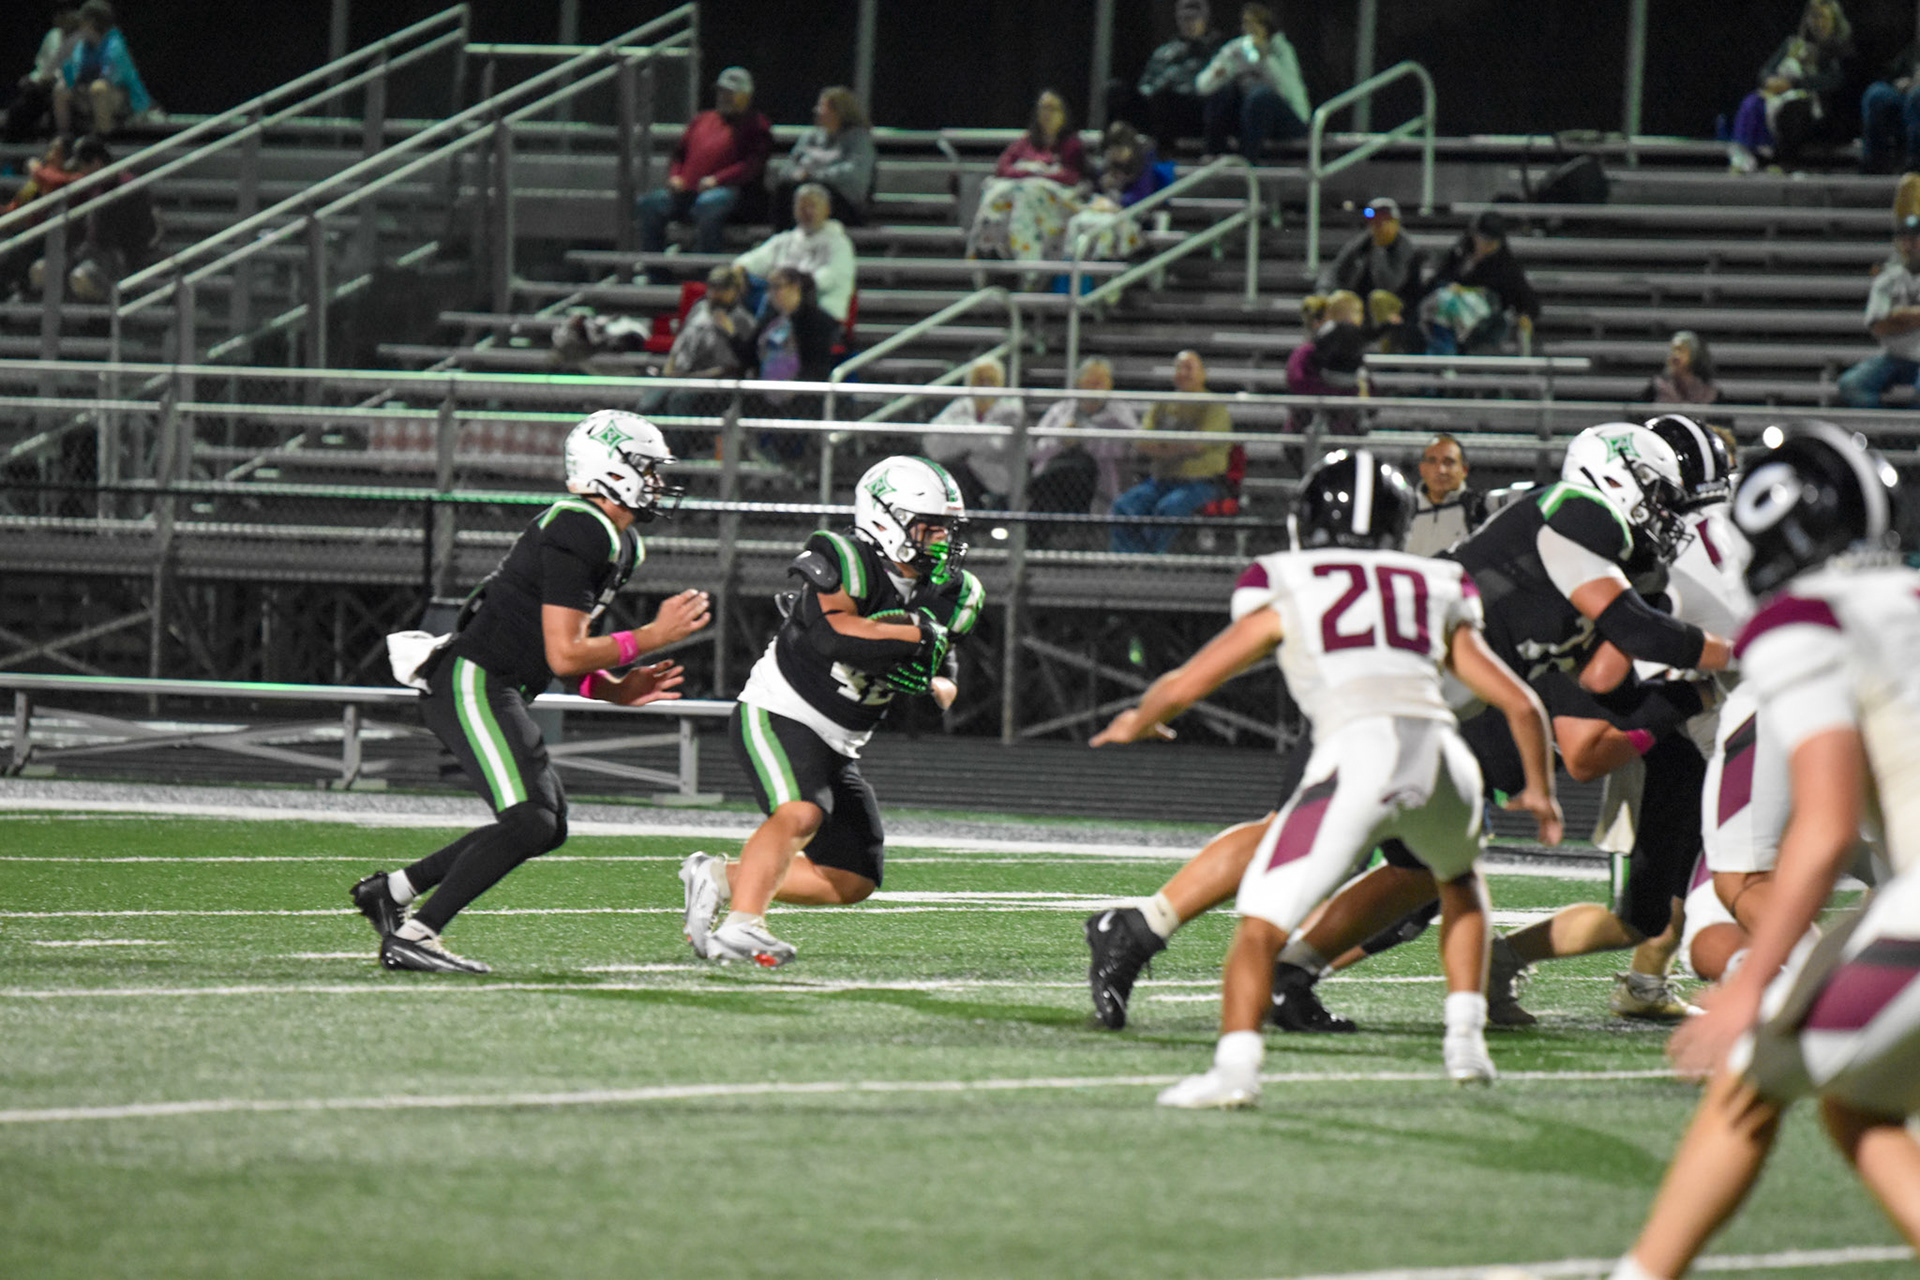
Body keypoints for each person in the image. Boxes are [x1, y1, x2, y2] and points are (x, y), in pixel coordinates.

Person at [1080, 421, 1729, 1036]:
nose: (1666, 512)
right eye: (1658, 493)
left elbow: (1602, 678)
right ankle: (1137, 927)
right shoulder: (1575, 512)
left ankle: (1292, 974)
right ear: (1616, 476)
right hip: (1380, 685)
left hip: (1429, 714)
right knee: (1295, 836)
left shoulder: (1609, 560)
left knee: (1419, 870)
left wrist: (1680, 693)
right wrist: (1736, 651)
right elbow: (1640, 632)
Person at [1093, 450, 1562, 1103]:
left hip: (1357, 752)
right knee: (1459, 883)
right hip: (1444, 754)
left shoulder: (1286, 579)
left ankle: (1236, 1069)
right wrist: (1540, 791)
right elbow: (1522, 703)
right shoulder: (1438, 581)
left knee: (1260, 926)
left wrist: (1139, 721)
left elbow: (1189, 680)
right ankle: (1465, 1042)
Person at [1609, 422, 1920, 1280]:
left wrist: (1752, 986)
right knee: (1858, 1107)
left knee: (1750, 1080)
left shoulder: (1804, 621)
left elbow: (1823, 827)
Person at [349, 412, 710, 972]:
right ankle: (416, 935)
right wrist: (650, 637)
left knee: (547, 824)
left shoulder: (618, 541)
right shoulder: (580, 525)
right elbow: (566, 653)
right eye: (647, 469)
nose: (657, 482)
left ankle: (392, 892)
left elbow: (560, 650)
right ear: (610, 470)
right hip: (474, 679)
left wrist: (613, 689)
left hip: (499, 684)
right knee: (531, 820)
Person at [678, 456, 986, 966]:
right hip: (781, 709)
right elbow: (831, 634)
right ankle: (742, 925)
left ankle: (716, 878)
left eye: (946, 531)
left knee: (851, 877)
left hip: (841, 742)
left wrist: (933, 686)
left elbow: (946, 671)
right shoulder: (844, 558)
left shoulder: (954, 591)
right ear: (886, 519)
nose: (941, 542)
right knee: (800, 812)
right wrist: (910, 638)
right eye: (929, 528)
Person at [635, 66, 772, 256]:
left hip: (734, 194)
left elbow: (751, 165)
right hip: (688, 192)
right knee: (650, 204)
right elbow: (679, 155)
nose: (724, 97)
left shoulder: (757, 124)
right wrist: (675, 176)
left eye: (730, 93)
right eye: (721, 91)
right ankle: (655, 268)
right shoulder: (701, 119)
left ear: (746, 96)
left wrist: (718, 180)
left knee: (709, 204)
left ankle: (704, 268)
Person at [1110, 349, 1234, 554]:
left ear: (1202, 374)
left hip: (1200, 483)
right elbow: (1142, 441)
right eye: (1179, 368)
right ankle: (1133, 559)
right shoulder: (1162, 403)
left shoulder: (1213, 406)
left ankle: (1154, 560)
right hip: (1160, 481)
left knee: (1168, 508)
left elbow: (1197, 444)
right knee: (1124, 506)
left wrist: (1162, 447)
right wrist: (1177, 448)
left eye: (1189, 368)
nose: (1183, 373)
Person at [1726, 0, 1852, 174]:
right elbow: (1766, 71)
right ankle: (1742, 159)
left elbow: (1834, 80)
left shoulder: (1838, 50)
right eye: (1814, 17)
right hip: (1779, 94)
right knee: (1751, 102)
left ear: (1834, 20)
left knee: (1792, 109)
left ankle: (1783, 161)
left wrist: (1793, 84)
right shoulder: (1793, 44)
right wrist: (1769, 81)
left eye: (1823, 17)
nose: (1818, 23)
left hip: (1816, 106)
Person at [27, 134, 156, 303]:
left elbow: (144, 231)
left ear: (96, 163)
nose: (79, 172)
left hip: (117, 257)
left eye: (82, 166)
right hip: (86, 252)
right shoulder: (91, 186)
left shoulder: (129, 187)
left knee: (82, 277)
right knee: (41, 271)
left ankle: (101, 314)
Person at [967, 90, 1088, 262]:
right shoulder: (1026, 142)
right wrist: (1030, 171)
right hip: (1017, 191)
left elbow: (1072, 176)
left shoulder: (1071, 144)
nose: (1047, 114)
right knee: (996, 191)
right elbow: (1002, 168)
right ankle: (987, 246)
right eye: (1043, 108)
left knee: (1025, 194)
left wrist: (1043, 175)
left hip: (1053, 199)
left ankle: (1024, 258)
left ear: (1063, 113)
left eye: (1052, 109)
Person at [1028, 356, 1139, 539]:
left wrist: (1084, 438)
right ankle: (1040, 543)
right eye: (1090, 379)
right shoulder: (1060, 410)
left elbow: (1127, 448)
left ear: (1110, 384)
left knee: (1078, 470)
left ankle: (1073, 535)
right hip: (1052, 479)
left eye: (1100, 381)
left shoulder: (1121, 414)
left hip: (1098, 482)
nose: (1095, 386)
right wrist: (1061, 441)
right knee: (1048, 486)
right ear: (1079, 381)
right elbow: (1037, 449)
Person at [1195, 2, 1311, 162]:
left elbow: (1290, 91)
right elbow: (1202, 86)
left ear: (1266, 27)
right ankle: (1213, 153)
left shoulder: (1281, 49)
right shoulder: (1236, 49)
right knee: (1223, 91)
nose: (1249, 29)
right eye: (1246, 23)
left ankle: (1248, 161)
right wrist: (1217, 75)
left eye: (1255, 24)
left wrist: (1267, 60)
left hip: (1288, 119)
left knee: (1260, 96)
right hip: (1250, 120)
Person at [733, 182, 857, 324]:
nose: (807, 212)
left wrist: (792, 285)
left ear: (827, 210)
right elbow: (755, 260)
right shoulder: (785, 240)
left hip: (821, 312)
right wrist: (740, 269)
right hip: (781, 307)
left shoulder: (839, 243)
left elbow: (832, 276)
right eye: (802, 207)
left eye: (812, 206)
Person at [1420, 210, 1540, 356]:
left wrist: (1525, 315)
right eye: (1484, 240)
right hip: (1447, 318)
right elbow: (1437, 280)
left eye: (1492, 243)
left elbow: (1529, 303)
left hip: (1483, 327)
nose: (1487, 246)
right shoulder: (1459, 255)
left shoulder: (1506, 267)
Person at [1110, 0, 1224, 150]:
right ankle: (1117, 144)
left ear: (1205, 20)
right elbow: (1145, 86)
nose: (1189, 23)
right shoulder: (1164, 53)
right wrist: (1161, 84)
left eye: (1194, 18)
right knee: (1115, 89)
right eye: (1184, 18)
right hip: (1165, 106)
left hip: (1200, 108)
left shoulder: (1219, 52)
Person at [1838, 214, 1920, 408]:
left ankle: (1912, 427)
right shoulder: (1888, 278)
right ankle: (1882, 428)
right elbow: (1879, 326)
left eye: (1915, 239)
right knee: (1851, 384)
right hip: (1895, 356)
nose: (1910, 245)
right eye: (1905, 239)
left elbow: (1889, 321)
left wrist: (1898, 317)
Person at [924, 355, 1025, 510]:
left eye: (990, 380)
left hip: (997, 483)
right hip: (963, 478)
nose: (985, 385)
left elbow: (996, 445)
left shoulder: (1011, 409)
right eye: (980, 380)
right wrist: (977, 436)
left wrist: (960, 434)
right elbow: (932, 444)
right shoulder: (961, 406)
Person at [767, 86, 874, 229]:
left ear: (839, 111)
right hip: (805, 192)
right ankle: (783, 238)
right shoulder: (810, 137)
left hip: (842, 202)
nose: (817, 111)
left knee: (813, 192)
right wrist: (795, 174)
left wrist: (814, 176)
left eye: (823, 107)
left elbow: (854, 173)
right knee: (785, 189)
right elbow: (789, 166)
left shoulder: (858, 139)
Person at [1062, 120, 1170, 262]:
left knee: (1105, 227)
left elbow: (1141, 198)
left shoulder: (1142, 169)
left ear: (1131, 148)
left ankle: (1104, 267)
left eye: (1121, 148)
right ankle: (1073, 264)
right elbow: (1092, 192)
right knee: (1076, 222)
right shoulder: (1104, 167)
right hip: (1100, 215)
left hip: (1132, 218)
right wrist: (1095, 195)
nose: (1116, 153)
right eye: (1113, 149)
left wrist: (1116, 203)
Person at [52, 1, 150, 139]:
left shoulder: (115, 44)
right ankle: (64, 137)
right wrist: (69, 79)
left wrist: (85, 85)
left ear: (91, 23)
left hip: (122, 99)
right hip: (89, 91)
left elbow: (111, 78)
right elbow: (74, 73)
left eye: (82, 22)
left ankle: (103, 138)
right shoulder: (83, 46)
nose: (79, 26)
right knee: (61, 88)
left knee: (99, 88)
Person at [1316, 197, 1422, 305]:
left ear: (1396, 223)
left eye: (1385, 220)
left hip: (1396, 306)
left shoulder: (1405, 247)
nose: (1380, 226)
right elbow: (1336, 270)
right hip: (1361, 304)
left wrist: (1379, 250)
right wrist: (1324, 294)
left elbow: (1389, 285)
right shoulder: (1362, 243)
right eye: (1376, 222)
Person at [1403, 432, 1488, 557]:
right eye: (1432, 461)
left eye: (1449, 462)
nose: (1441, 470)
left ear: (1464, 469)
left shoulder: (1481, 509)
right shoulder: (1404, 510)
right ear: (1422, 468)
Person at [4, 5, 80, 143]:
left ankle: (56, 138)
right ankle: (16, 139)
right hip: (44, 82)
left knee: (44, 94)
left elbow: (73, 68)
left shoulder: (79, 39)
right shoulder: (53, 35)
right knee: (24, 100)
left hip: (66, 83)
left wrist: (50, 78)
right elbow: (43, 64)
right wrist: (34, 78)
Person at [1858, 40, 1920, 174]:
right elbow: (1891, 74)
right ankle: (1875, 161)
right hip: (1905, 94)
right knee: (1876, 94)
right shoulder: (1913, 51)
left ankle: (1914, 162)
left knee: (1917, 96)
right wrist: (1899, 82)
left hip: (1916, 98)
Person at [1645, 330, 1719, 405]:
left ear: (1694, 355)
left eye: (1681, 350)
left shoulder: (1708, 392)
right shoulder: (1657, 388)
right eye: (1673, 350)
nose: (1675, 355)